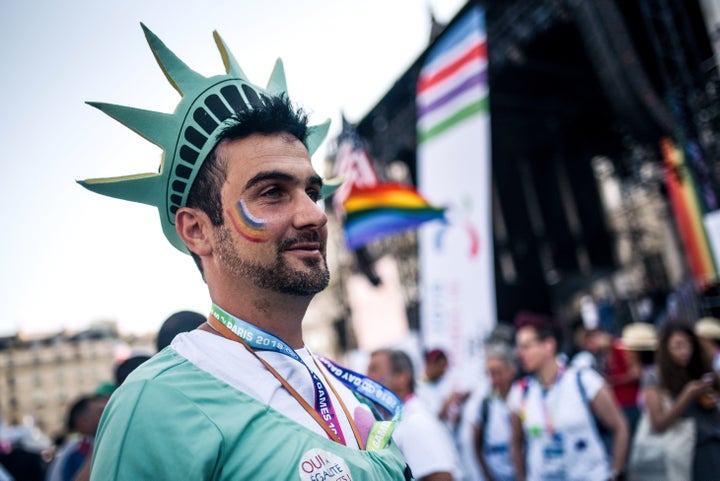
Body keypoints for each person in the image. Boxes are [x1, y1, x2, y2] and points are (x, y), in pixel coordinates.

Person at [81, 25, 410, 480]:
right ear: (196, 231)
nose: (313, 215)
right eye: (273, 192)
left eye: (312, 191)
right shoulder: (158, 404)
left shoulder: (349, 392)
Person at [508, 311, 629, 481]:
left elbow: (620, 426)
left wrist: (615, 473)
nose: (520, 353)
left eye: (526, 346)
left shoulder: (583, 380)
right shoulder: (520, 392)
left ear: (549, 345)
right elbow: (515, 443)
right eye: (519, 347)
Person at [638, 321, 720, 480]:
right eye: (678, 346)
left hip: (714, 439)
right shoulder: (654, 376)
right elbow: (659, 424)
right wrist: (687, 396)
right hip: (688, 451)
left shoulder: (700, 367)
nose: (685, 351)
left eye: (689, 344)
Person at [367, 348, 464, 481]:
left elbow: (441, 477)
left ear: (402, 378)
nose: (366, 378)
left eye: (374, 369)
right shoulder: (401, 419)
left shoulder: (415, 422)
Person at [473, 342, 517, 481]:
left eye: (498, 372)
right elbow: (476, 445)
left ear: (511, 370)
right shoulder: (485, 404)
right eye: (490, 374)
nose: (494, 379)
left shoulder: (524, 397)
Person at [45, 394, 107, 481]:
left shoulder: (71, 445)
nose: (107, 416)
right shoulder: (80, 447)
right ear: (83, 420)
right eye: (101, 412)